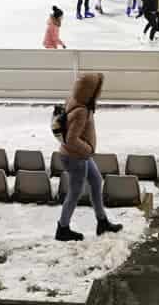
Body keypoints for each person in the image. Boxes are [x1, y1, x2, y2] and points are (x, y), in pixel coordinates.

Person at [52, 73, 122, 241]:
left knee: (96, 181)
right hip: (76, 157)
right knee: (75, 192)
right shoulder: (81, 111)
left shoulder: (74, 100)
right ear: (91, 91)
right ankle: (62, 228)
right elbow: (72, 139)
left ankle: (102, 221)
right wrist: (88, 149)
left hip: (78, 155)